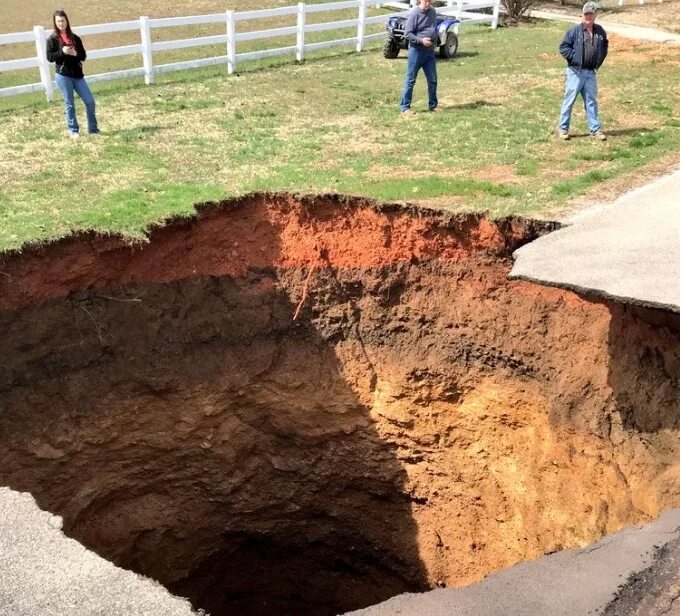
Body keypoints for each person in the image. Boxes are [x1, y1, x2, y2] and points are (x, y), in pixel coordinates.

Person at [558, 2, 608, 141]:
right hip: (575, 72)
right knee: (569, 101)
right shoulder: (573, 31)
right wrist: (574, 58)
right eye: (586, 14)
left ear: (595, 15)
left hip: (590, 73)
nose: (588, 17)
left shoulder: (600, 31)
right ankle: (563, 129)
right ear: (582, 15)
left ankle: (595, 130)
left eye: (591, 14)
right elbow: (563, 47)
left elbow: (604, 46)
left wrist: (599, 60)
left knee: (591, 102)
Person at [46, 10, 99, 138]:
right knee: (70, 104)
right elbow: (50, 57)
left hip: (78, 75)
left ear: (67, 21)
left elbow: (83, 56)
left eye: (63, 20)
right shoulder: (52, 40)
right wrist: (62, 52)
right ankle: (73, 130)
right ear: (55, 22)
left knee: (90, 101)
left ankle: (93, 129)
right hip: (63, 76)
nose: (61, 23)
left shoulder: (75, 38)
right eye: (58, 21)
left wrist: (75, 53)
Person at [400, 0, 439, 114]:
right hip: (416, 51)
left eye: (430, 1)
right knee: (411, 79)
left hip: (429, 52)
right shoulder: (414, 13)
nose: (428, 3)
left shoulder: (432, 11)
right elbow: (407, 33)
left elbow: (433, 28)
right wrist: (421, 40)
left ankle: (433, 105)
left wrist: (434, 41)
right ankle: (405, 107)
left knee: (433, 80)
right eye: (426, 1)